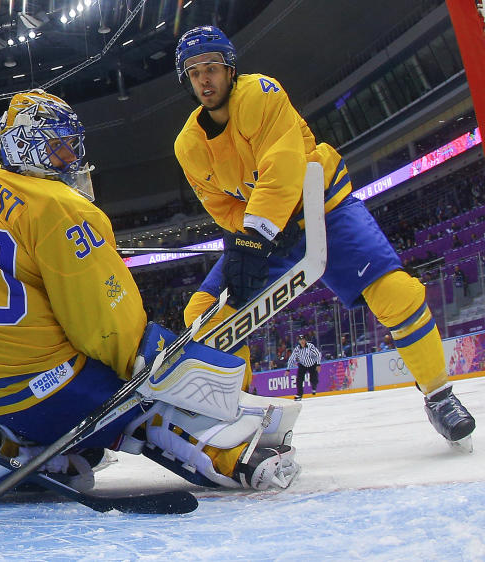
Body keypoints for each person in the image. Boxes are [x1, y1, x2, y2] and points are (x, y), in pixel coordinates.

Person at [0, 90, 302, 504]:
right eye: (57, 146)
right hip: (38, 388)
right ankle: (238, 457)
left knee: (86, 442)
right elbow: (106, 328)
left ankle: (5, 451)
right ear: (25, 146)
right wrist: (153, 362)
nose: (70, 157)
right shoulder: (60, 208)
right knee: (143, 396)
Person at [172, 25, 475, 450]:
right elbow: (221, 205)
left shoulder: (260, 93)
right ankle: (242, 420)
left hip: (321, 209)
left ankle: (440, 395)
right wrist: (248, 239)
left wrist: (259, 231)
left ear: (230, 69)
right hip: (268, 232)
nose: (204, 78)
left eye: (212, 67)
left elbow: (282, 163)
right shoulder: (187, 145)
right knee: (205, 316)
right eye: (194, 71)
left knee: (395, 293)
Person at [287, 335, 321, 401]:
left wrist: (318, 364)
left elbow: (317, 354)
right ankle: (299, 394)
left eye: (303, 340)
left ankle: (314, 387)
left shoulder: (310, 346)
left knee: (314, 379)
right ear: (299, 341)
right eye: (300, 340)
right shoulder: (297, 349)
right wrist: (288, 369)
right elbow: (291, 358)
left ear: (305, 340)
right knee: (299, 379)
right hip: (302, 365)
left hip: (312, 364)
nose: (302, 341)